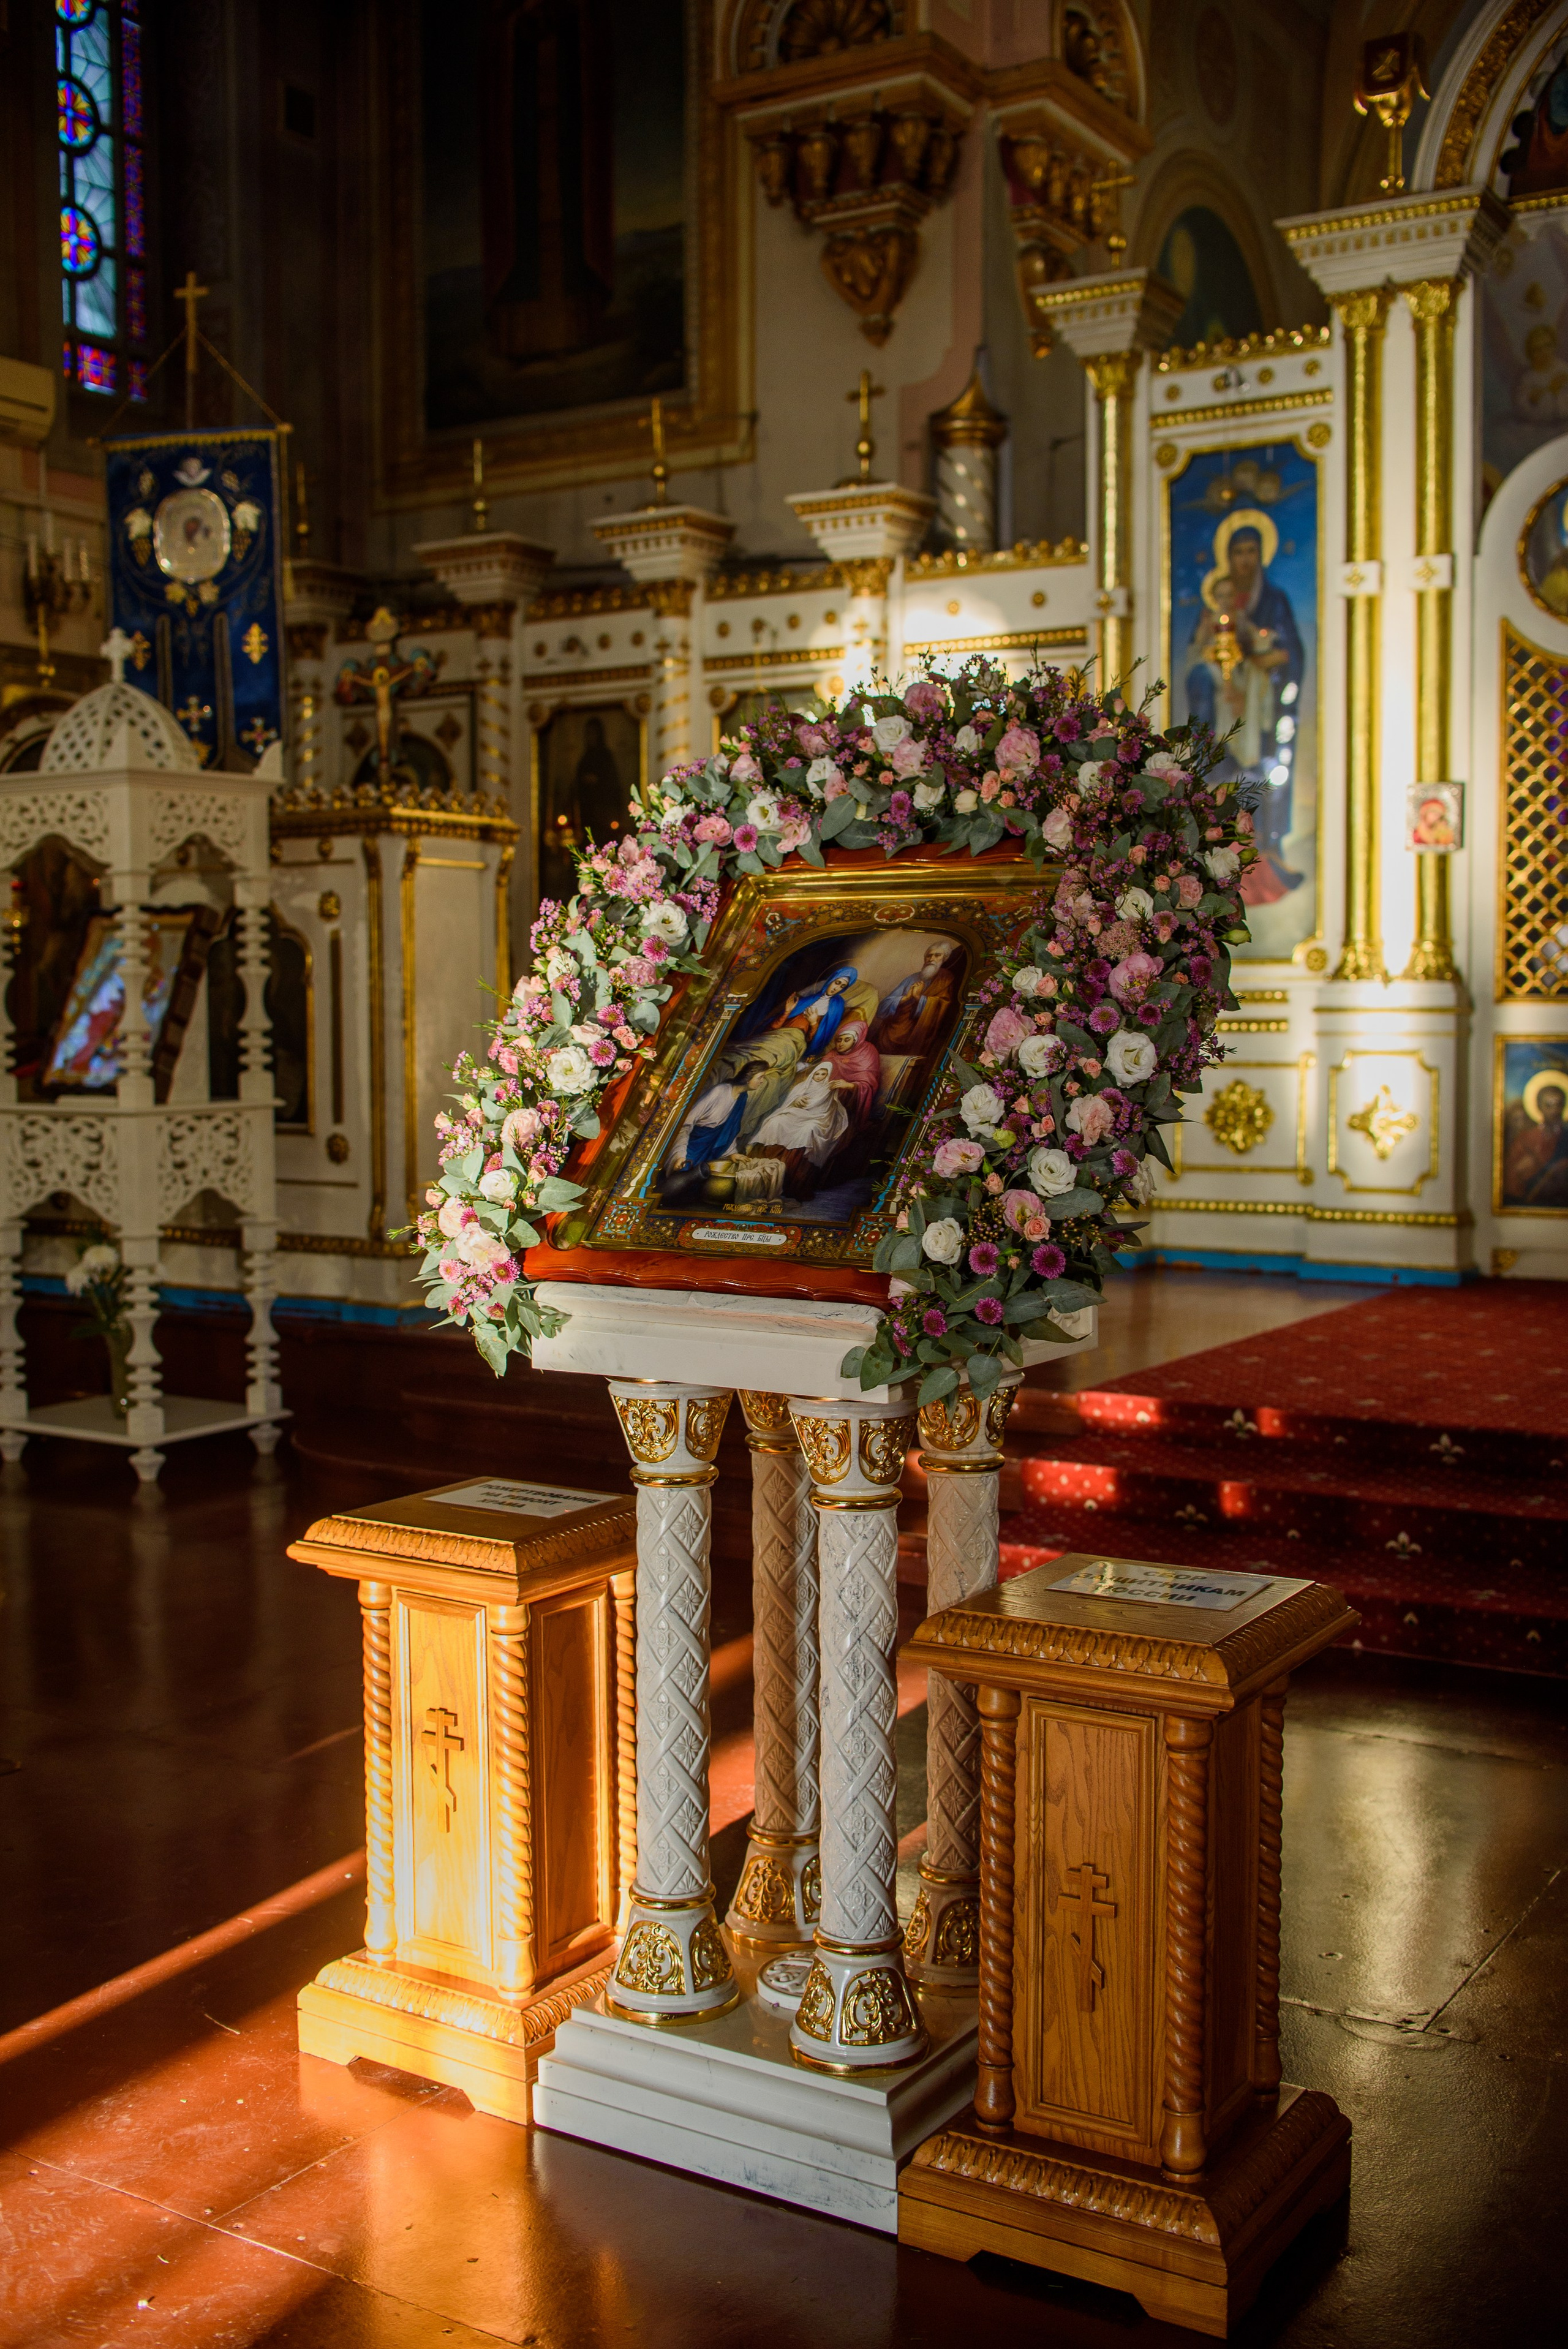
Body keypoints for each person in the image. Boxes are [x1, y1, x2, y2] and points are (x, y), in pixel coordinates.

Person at [1184, 511, 1305, 897]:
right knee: (1223, 775)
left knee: (1264, 773)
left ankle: (1268, 849)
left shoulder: (1274, 602)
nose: (1245, 560)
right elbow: (1197, 661)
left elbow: (1289, 653)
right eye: (1238, 552)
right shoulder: (1212, 612)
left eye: (1252, 551)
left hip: (1263, 709)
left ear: (1261, 555)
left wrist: (1256, 661)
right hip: (1222, 712)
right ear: (1228, 557)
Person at [667, 1058, 769, 1174]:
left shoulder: (743, 1097)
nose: (762, 1081)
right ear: (748, 1077)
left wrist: (731, 1154)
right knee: (679, 1176)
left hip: (709, 1153)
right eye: (760, 1077)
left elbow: (729, 1131)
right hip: (689, 1148)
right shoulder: (719, 1091)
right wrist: (679, 1154)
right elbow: (685, 1124)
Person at [869, 941, 960, 1056]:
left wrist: (918, 998)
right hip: (890, 1033)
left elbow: (942, 1008)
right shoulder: (912, 978)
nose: (931, 959)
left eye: (937, 955)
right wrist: (906, 998)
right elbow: (883, 1008)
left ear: (945, 958)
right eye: (929, 956)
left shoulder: (945, 979)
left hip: (918, 1035)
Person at [1504, 1078, 1568, 1207]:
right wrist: (1523, 1169)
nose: (1554, 1111)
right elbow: (1511, 1176)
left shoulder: (1566, 1135)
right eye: (1549, 1105)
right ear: (1539, 1106)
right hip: (1530, 1199)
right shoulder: (1525, 1138)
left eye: (1558, 1105)